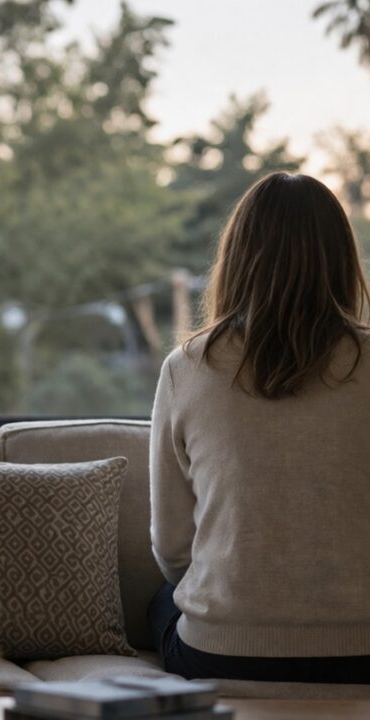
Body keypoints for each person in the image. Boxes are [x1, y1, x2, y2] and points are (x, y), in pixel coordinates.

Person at [148, 171, 370, 683]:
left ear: (239, 257)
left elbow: (172, 545)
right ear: (340, 259)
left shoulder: (187, 367)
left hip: (224, 651)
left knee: (162, 599)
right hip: (362, 650)